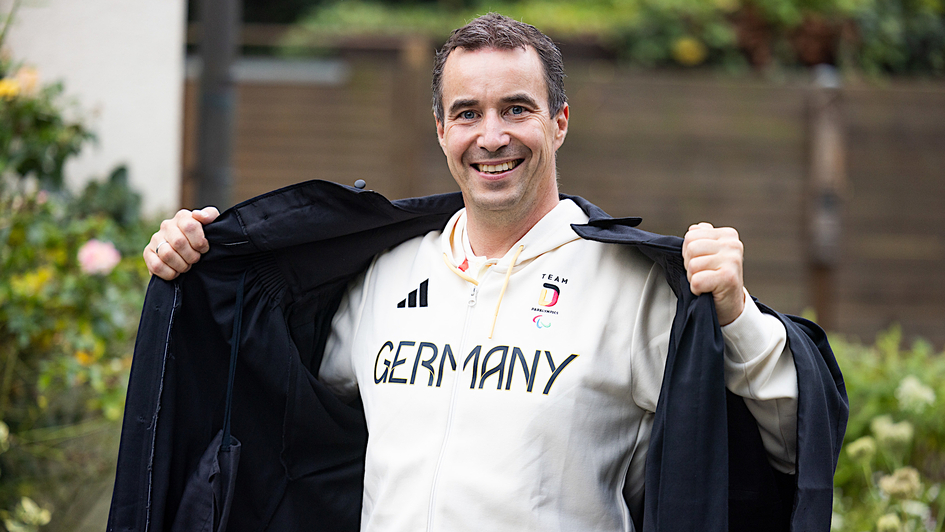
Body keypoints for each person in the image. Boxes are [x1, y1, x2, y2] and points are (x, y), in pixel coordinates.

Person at [124, 13, 845, 532]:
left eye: (516, 109)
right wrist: (196, 270)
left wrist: (736, 314)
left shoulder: (631, 292)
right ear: (441, 130)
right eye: (466, 112)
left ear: (558, 122)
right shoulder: (384, 276)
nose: (491, 135)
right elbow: (265, 394)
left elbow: (785, 444)